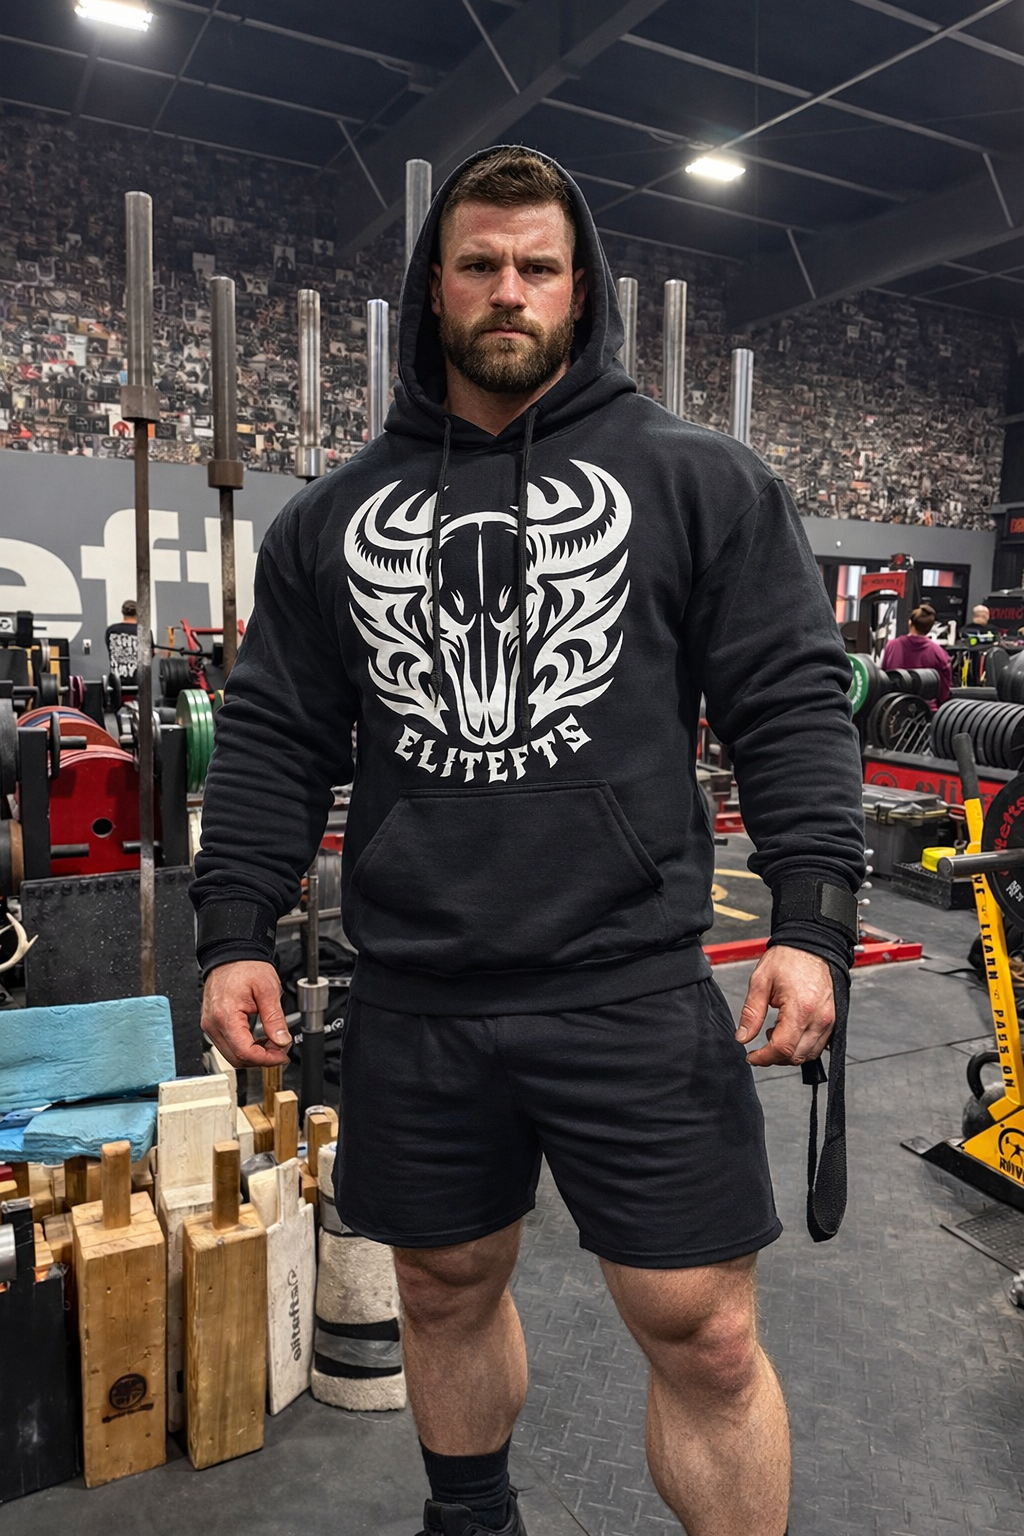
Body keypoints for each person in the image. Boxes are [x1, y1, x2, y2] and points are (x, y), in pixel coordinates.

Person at [193, 148, 864, 1536]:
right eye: (480, 264)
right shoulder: (331, 521)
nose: (509, 290)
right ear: (433, 288)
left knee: (706, 1333)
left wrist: (810, 924)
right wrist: (233, 930)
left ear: (580, 289)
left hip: (627, 979)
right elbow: (270, 737)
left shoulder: (698, 480)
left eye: (537, 266)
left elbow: (791, 705)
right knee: (441, 1288)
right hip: (421, 990)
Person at [879, 604, 952, 708]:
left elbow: (883, 679)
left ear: (910, 623)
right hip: (925, 711)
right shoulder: (938, 652)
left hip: (895, 709)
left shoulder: (891, 646)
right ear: (930, 628)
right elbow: (944, 690)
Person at [104, 598, 141, 686]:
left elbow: (110, 650)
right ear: (138, 613)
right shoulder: (144, 631)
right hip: (138, 681)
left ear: (122, 612)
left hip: (116, 682)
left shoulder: (111, 630)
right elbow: (149, 655)